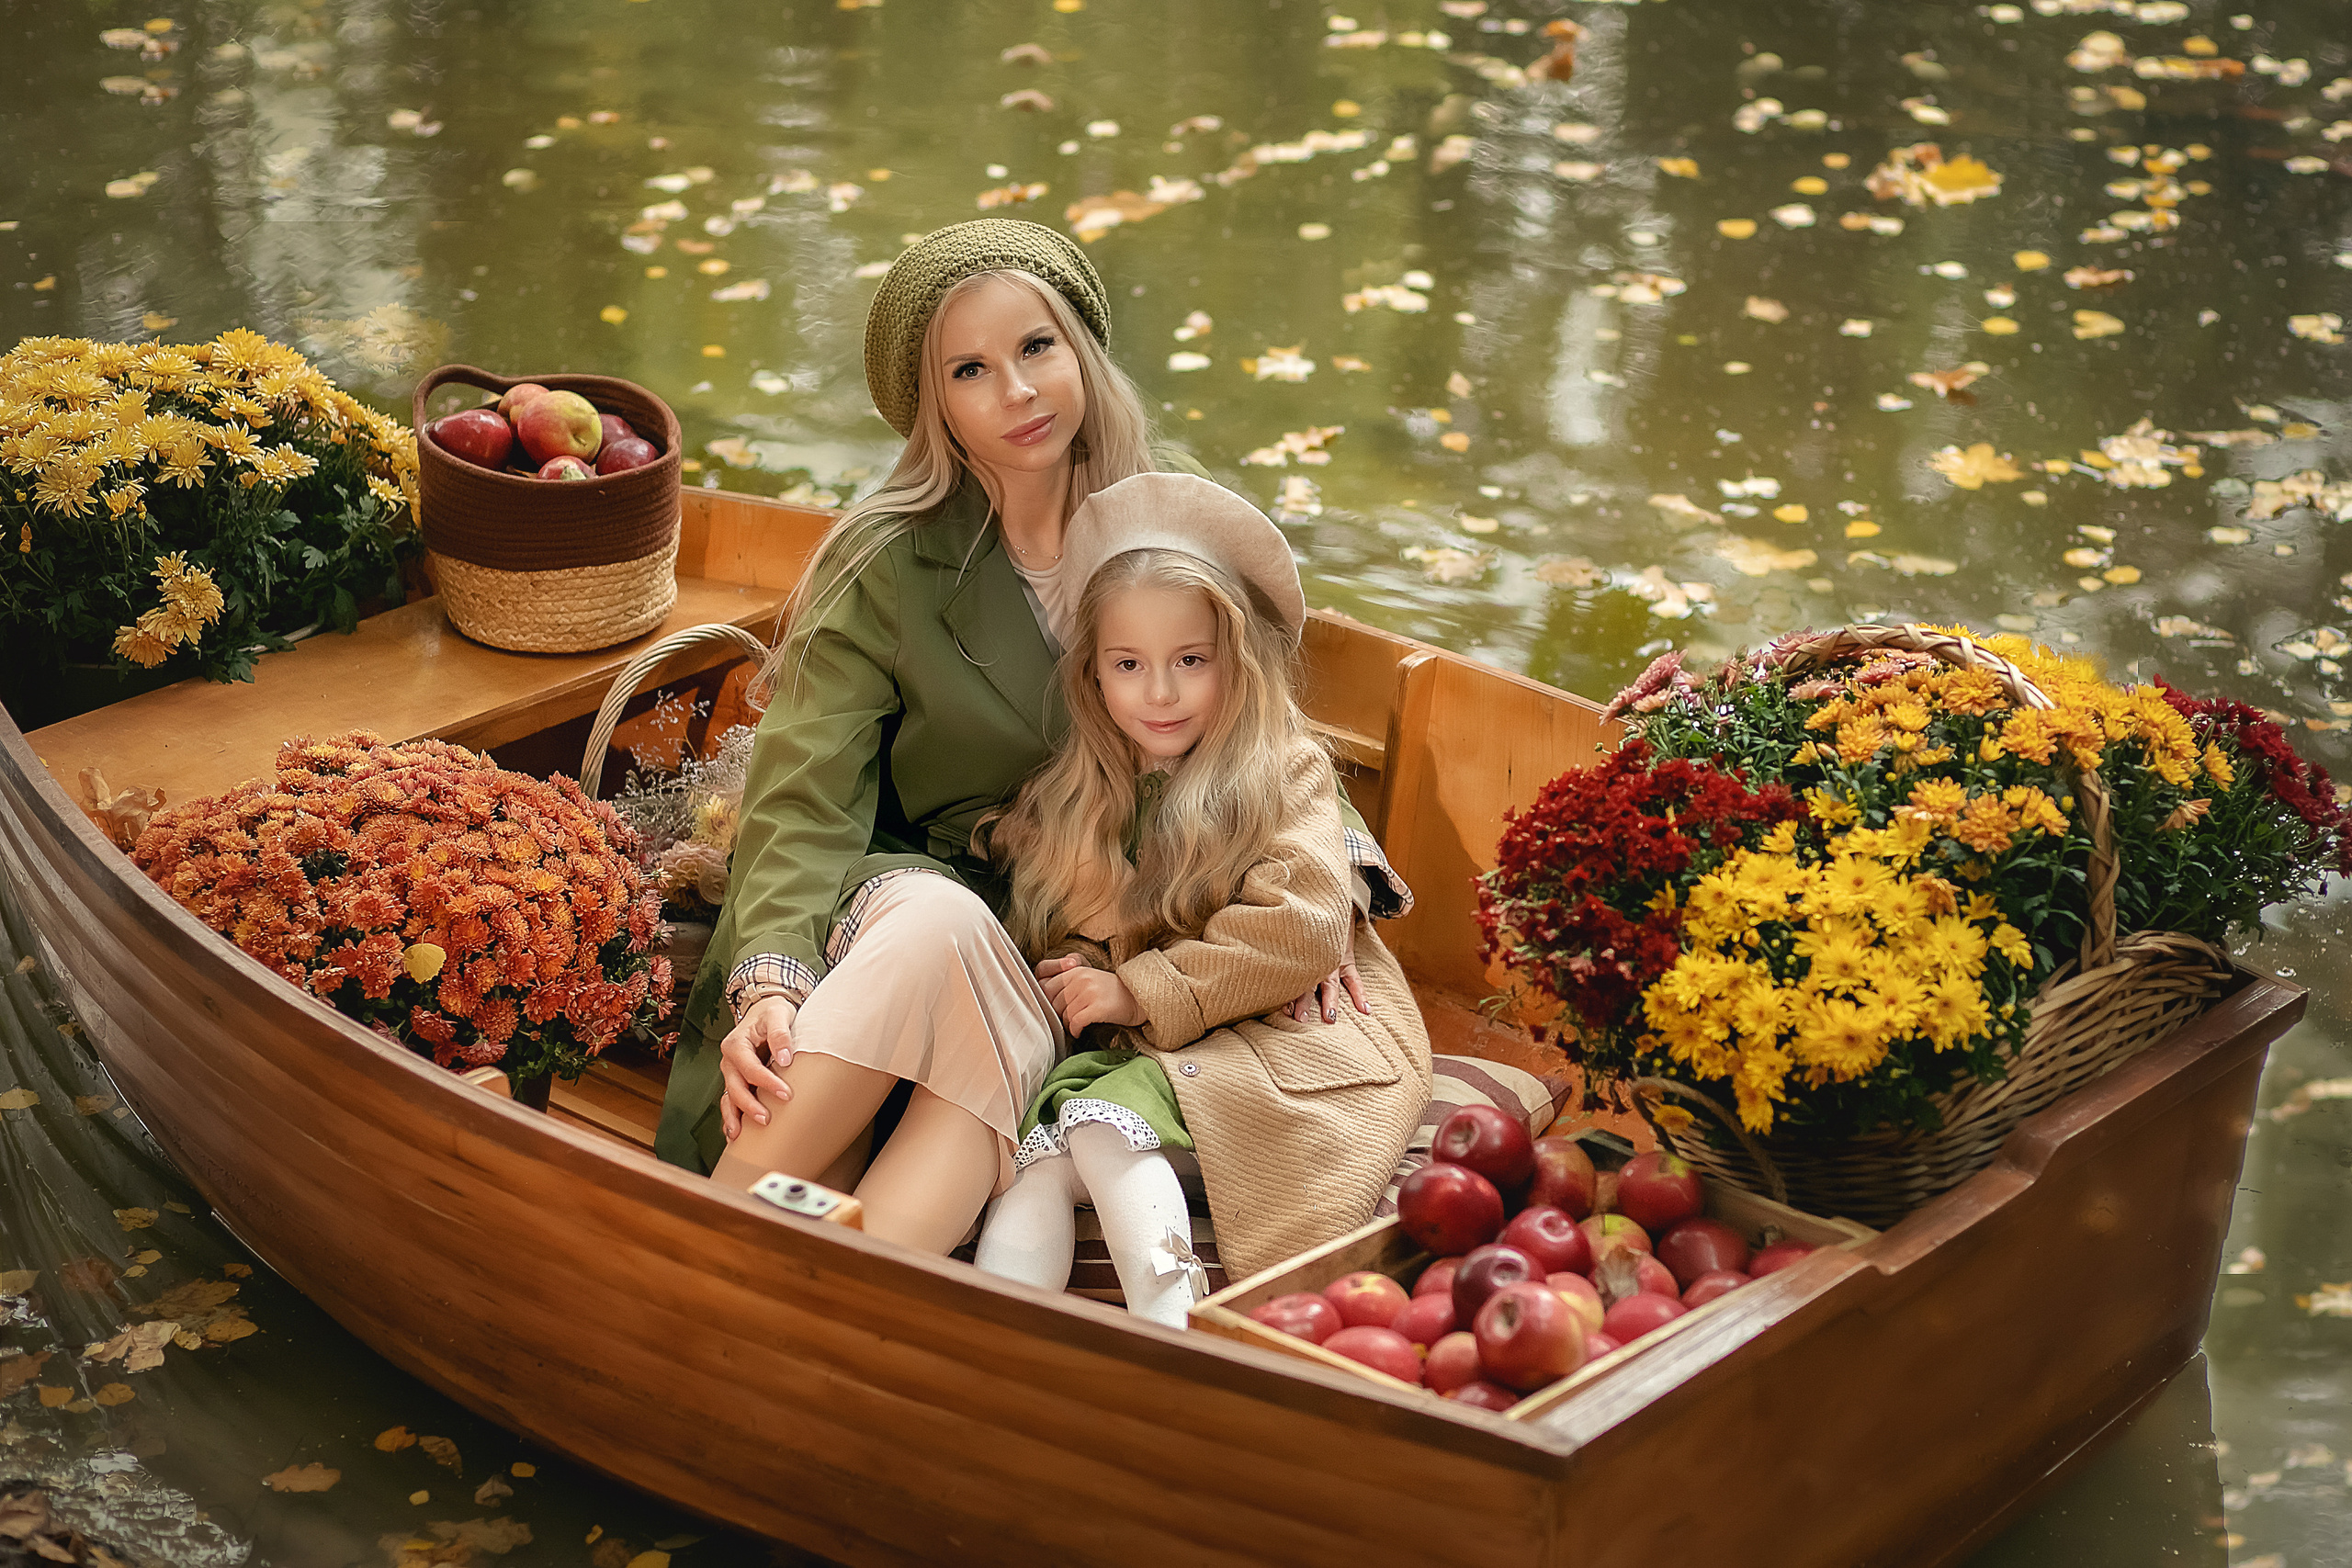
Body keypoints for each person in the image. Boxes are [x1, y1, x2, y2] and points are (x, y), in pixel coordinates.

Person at [653, 219, 1411, 1254]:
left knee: (978, 1084)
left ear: (1083, 353)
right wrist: (772, 982)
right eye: (971, 368)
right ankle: (694, 1251)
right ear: (937, 408)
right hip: (899, 899)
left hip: (1063, 954)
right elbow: (801, 800)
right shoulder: (884, 563)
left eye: (1036, 349)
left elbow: (1262, 721)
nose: (1016, 390)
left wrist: (1335, 886)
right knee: (936, 932)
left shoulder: (1167, 522)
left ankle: (832, 1294)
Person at [969, 473, 1433, 1326]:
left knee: (1103, 1125)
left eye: (1191, 661)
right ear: (1093, 673)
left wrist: (1135, 989)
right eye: (1128, 665)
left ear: (1237, 660)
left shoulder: (1282, 770)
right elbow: (1049, 911)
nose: (1159, 692)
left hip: (1284, 1036)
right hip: (1156, 1054)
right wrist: (1074, 966)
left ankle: (1171, 1325)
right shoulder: (1080, 789)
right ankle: (999, 1341)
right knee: (1042, 1157)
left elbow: (1300, 925)